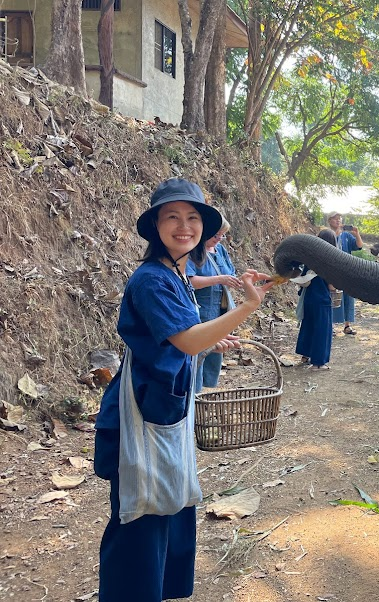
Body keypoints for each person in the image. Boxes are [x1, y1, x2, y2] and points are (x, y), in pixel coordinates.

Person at [93, 178, 274, 601]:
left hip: (165, 406)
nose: (184, 226)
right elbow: (187, 341)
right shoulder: (150, 280)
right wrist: (246, 307)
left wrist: (212, 339)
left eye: (193, 218)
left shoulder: (177, 272)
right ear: (155, 226)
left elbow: (180, 336)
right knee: (141, 518)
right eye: (172, 217)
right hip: (141, 409)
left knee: (168, 505)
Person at [187, 216, 242, 392]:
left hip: (220, 310)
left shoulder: (221, 251)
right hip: (201, 310)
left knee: (215, 349)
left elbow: (231, 273)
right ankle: (194, 392)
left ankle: (206, 390)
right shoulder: (192, 251)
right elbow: (189, 280)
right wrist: (219, 279)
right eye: (216, 234)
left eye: (222, 235)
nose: (219, 239)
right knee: (199, 351)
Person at [295, 228, 338, 369]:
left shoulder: (310, 258)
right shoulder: (331, 261)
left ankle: (305, 355)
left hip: (308, 298)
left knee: (308, 326)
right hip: (322, 299)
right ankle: (318, 362)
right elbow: (332, 286)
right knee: (322, 330)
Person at [326, 211, 363, 335]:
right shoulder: (327, 235)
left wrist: (357, 234)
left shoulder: (346, 235)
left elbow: (359, 246)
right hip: (332, 271)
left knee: (348, 298)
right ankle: (330, 326)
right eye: (335, 218)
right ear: (329, 221)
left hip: (347, 270)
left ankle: (347, 326)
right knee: (333, 298)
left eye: (339, 218)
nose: (338, 220)